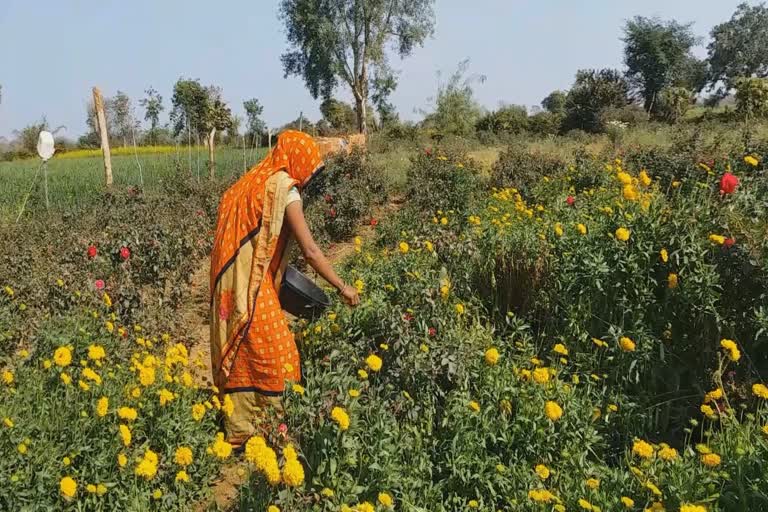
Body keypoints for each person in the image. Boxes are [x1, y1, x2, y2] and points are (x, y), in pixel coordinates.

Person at [209, 130, 360, 448]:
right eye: (311, 168)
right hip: (250, 283)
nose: (310, 177)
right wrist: (342, 287)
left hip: (228, 280)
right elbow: (311, 251)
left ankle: (241, 426)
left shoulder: (252, 181)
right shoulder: (283, 189)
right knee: (282, 356)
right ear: (298, 162)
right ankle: (273, 429)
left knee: (245, 349)